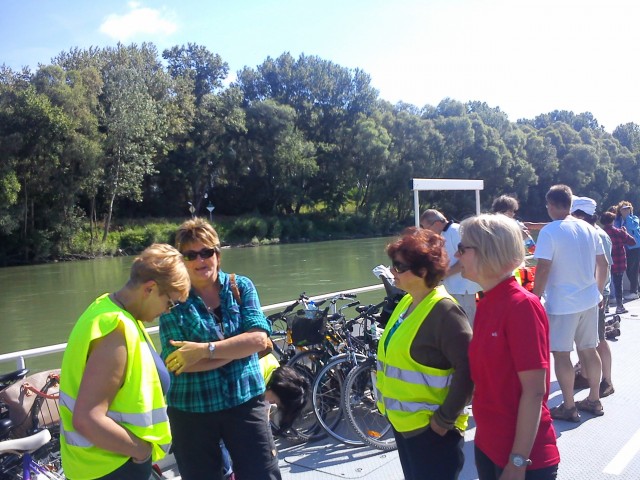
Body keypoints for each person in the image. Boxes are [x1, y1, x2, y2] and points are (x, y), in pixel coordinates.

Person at [159, 218, 281, 480]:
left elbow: (258, 340)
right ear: (181, 261)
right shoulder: (171, 300)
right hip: (192, 411)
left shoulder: (241, 287)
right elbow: (176, 362)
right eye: (191, 255)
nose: (200, 260)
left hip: (245, 402)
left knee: (263, 474)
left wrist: (204, 350)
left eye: (206, 252)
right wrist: (235, 350)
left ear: (217, 254)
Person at [59, 244, 190, 480]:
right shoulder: (115, 330)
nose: (168, 311)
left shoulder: (110, 309)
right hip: (110, 469)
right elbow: (87, 419)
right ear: (150, 288)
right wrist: (141, 451)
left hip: (107, 466)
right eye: (169, 302)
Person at [459, 214, 560, 480]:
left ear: (488, 251)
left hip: (523, 458)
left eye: (462, 248)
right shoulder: (487, 302)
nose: (456, 256)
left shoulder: (522, 306)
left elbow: (534, 392)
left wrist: (517, 462)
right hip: (488, 444)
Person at [376, 227, 473, 480]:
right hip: (404, 425)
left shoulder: (445, 312)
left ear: (422, 271)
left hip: (431, 432)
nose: (392, 272)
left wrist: (443, 421)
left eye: (399, 266)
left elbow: (469, 369)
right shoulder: (407, 302)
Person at [533, 185, 608, 422]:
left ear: (551, 205)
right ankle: (594, 399)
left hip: (562, 304)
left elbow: (543, 267)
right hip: (589, 300)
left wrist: (535, 298)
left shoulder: (550, 231)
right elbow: (603, 263)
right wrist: (598, 293)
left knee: (562, 354)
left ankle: (568, 406)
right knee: (589, 350)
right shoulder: (588, 228)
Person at [570, 198, 615, 399]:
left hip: (596, 295)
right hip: (588, 294)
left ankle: (607, 381)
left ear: (580, 215)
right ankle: (586, 375)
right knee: (586, 340)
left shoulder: (598, 235)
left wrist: (598, 293)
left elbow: (603, 267)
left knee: (599, 339)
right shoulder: (589, 232)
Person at [420, 209, 482, 326]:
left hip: (463, 288)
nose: (425, 232)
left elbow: (467, 260)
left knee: (466, 323)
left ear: (437, 223)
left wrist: (443, 274)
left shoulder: (457, 231)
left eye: (426, 228)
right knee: (454, 323)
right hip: (450, 288)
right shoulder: (441, 235)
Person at [601, 210, 636, 314]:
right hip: (618, 262)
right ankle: (619, 307)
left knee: (605, 286)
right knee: (618, 285)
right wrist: (625, 232)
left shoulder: (600, 233)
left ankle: (605, 307)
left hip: (604, 263)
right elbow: (632, 242)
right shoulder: (619, 232)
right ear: (612, 220)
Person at [614, 201, 640, 300]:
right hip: (623, 247)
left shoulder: (634, 218)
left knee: (633, 269)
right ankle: (636, 289)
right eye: (623, 209)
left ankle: (634, 292)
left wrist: (627, 217)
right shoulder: (617, 220)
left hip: (635, 247)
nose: (626, 210)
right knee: (627, 269)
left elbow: (632, 227)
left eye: (628, 208)